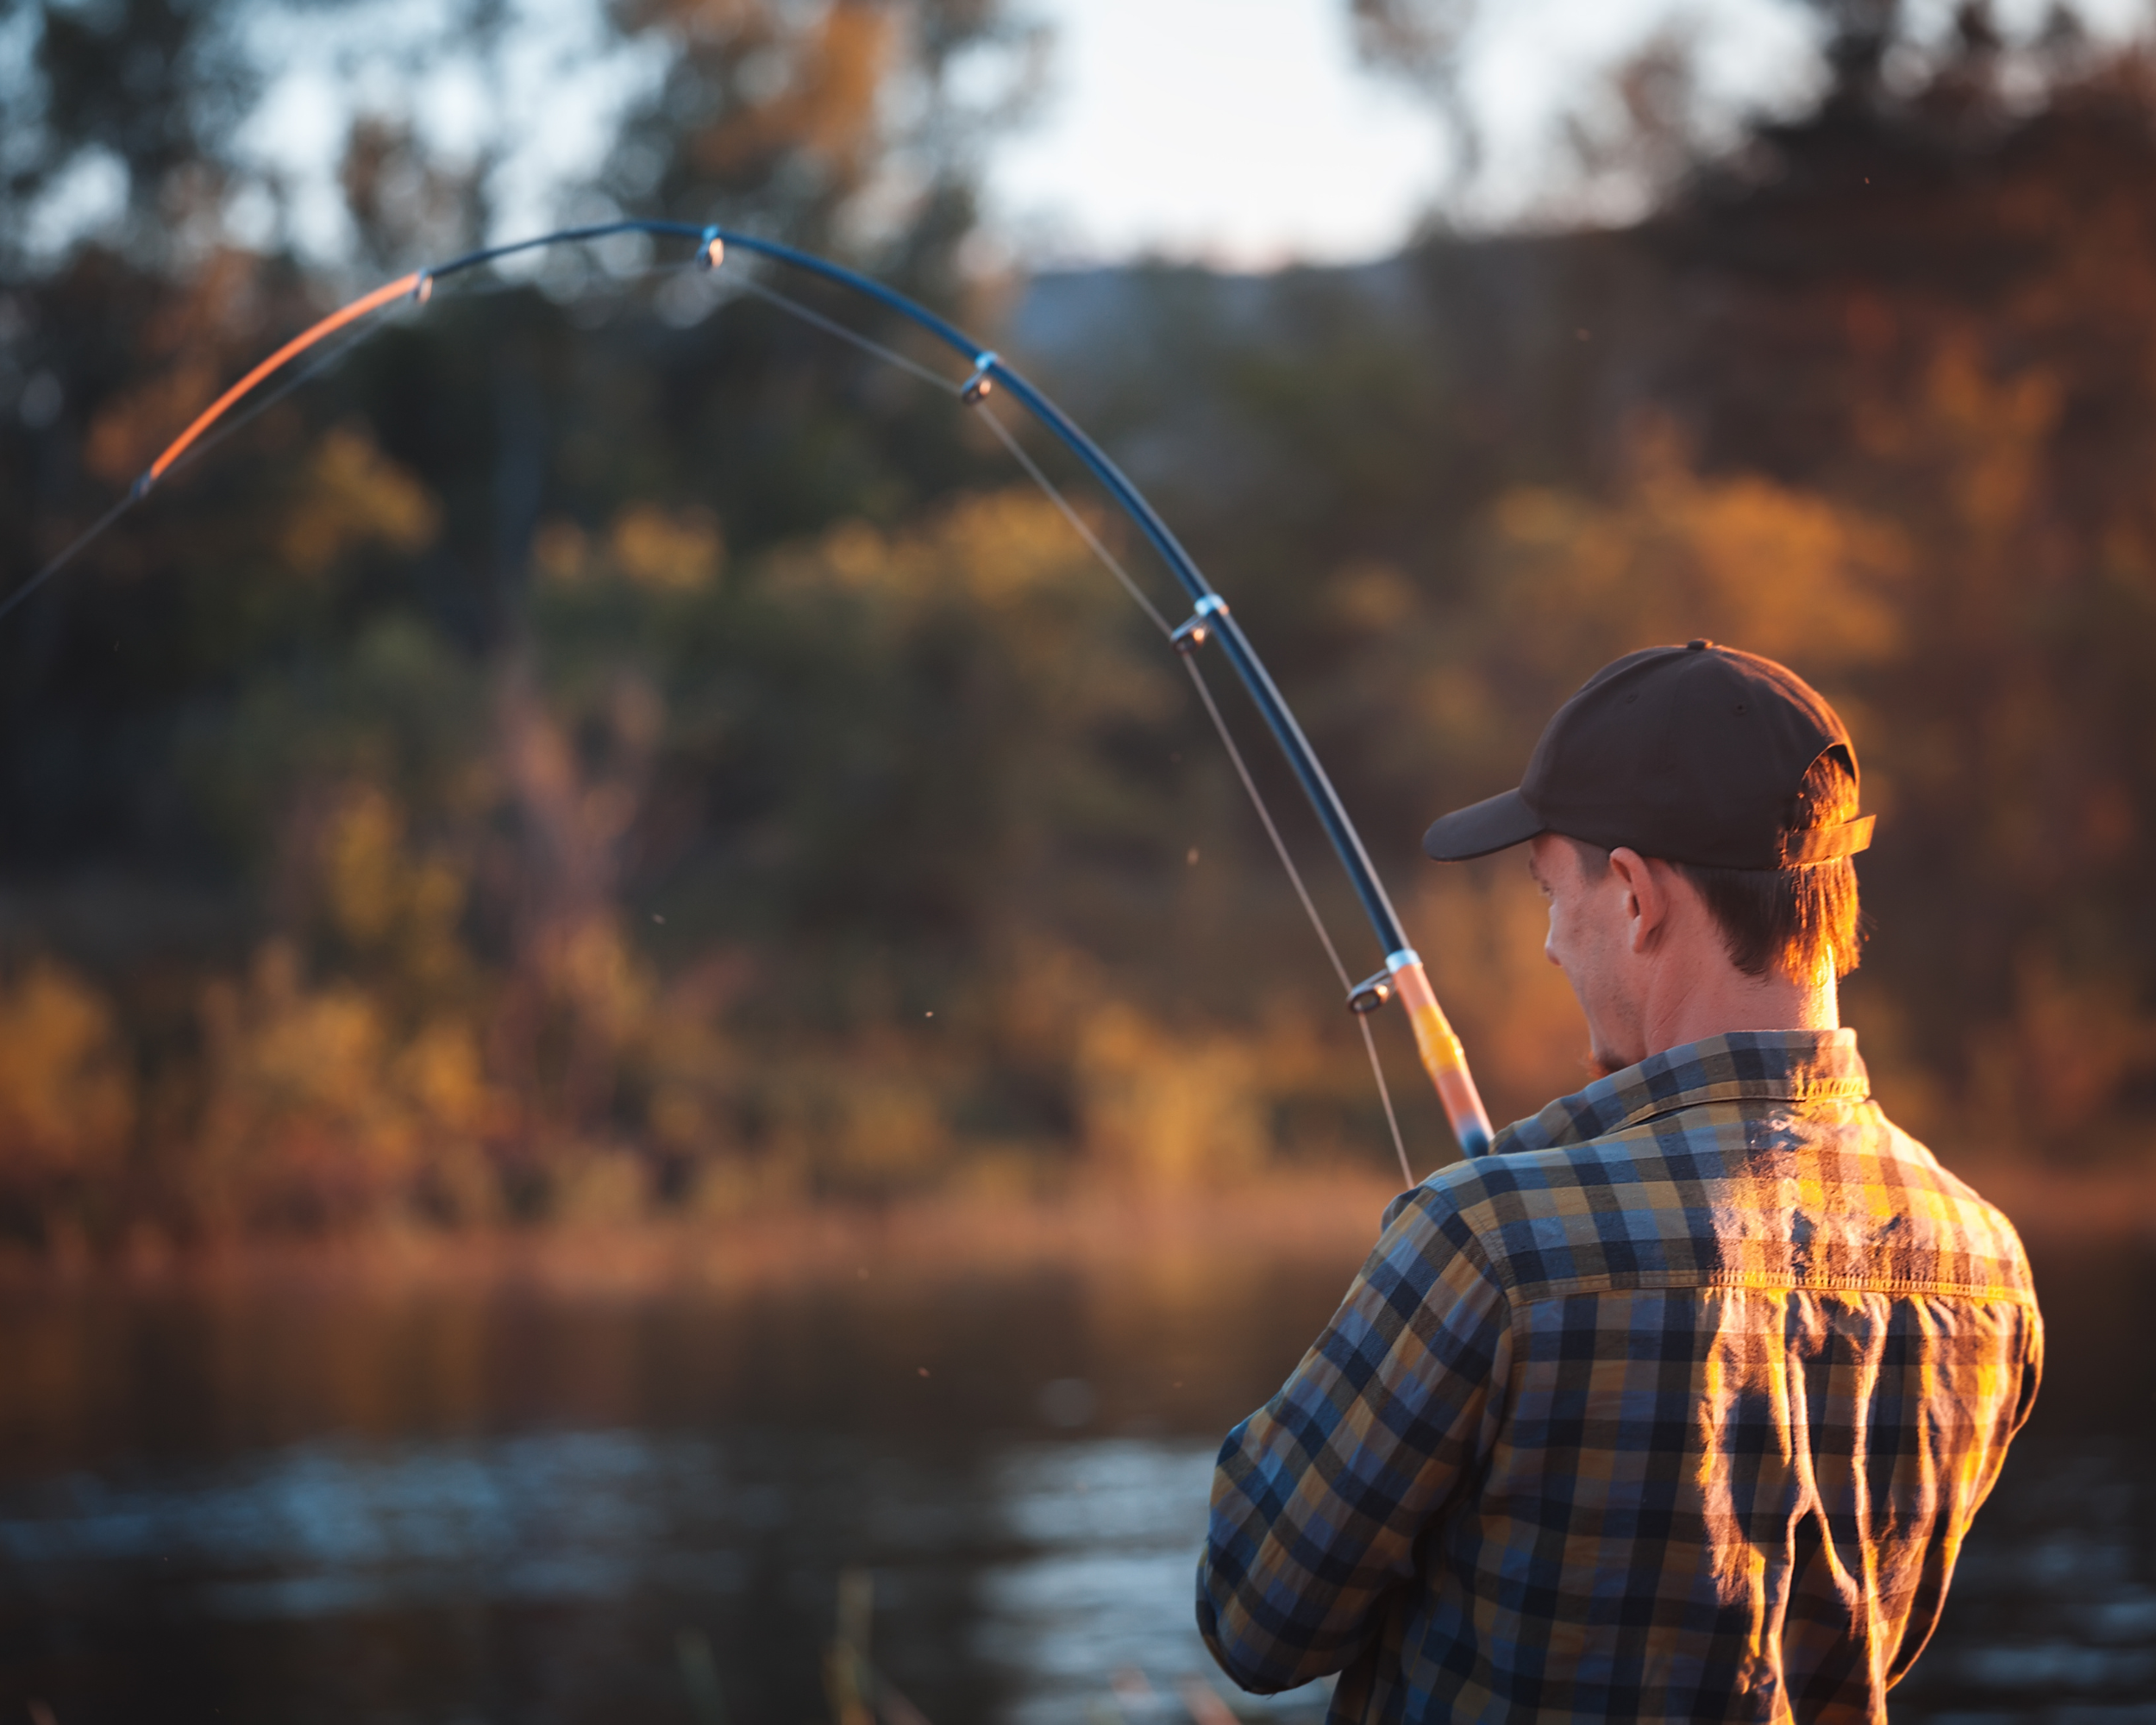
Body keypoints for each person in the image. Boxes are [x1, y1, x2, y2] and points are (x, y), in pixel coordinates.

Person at [1195, 641, 2042, 1723]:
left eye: (1551, 891)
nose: (1551, 941)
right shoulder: (1988, 1265)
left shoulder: (1485, 1238)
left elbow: (1253, 1619)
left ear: (1636, 894)